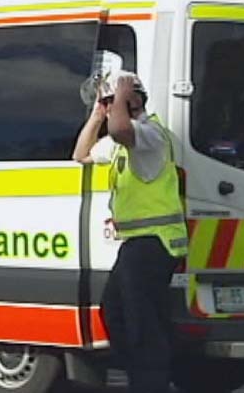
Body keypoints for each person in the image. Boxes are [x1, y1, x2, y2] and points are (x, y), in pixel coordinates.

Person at [72, 69, 188, 393]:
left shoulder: (149, 135)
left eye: (112, 101)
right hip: (138, 243)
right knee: (115, 312)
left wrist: (120, 97)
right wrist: (97, 114)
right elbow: (80, 153)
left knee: (141, 324)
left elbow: (122, 129)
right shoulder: (121, 142)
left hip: (155, 243)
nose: (110, 108)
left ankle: (150, 381)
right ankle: (152, 375)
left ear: (133, 99)